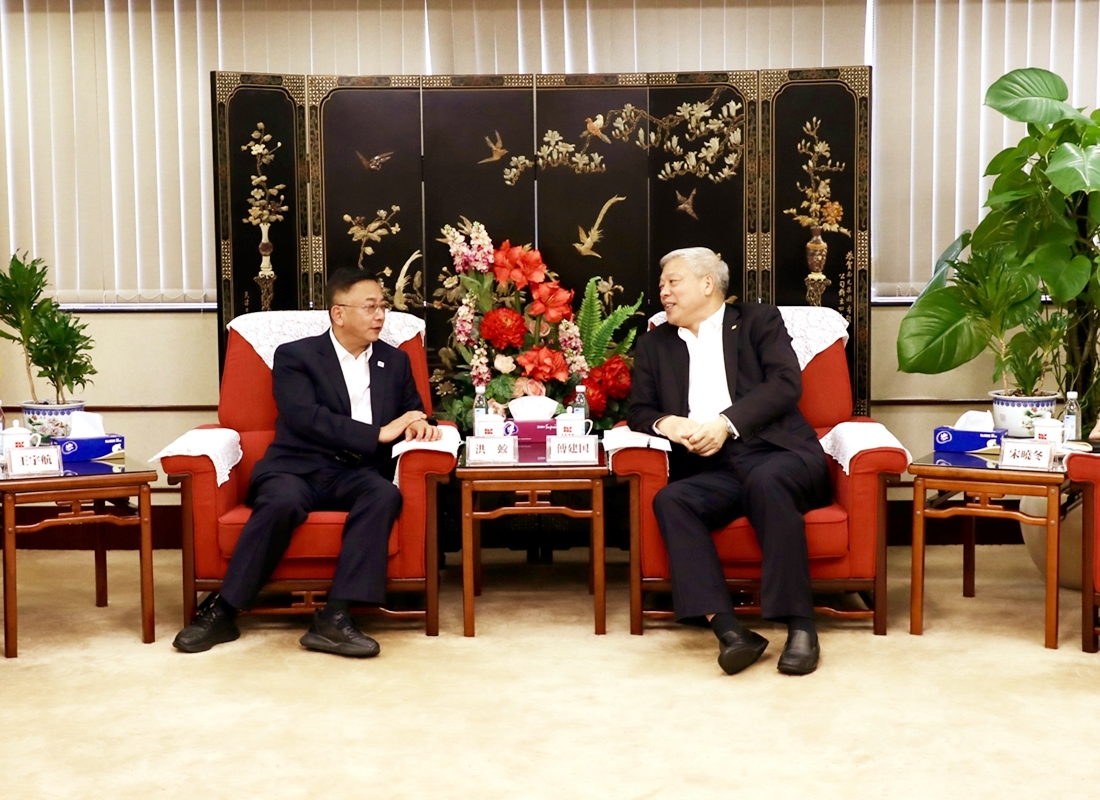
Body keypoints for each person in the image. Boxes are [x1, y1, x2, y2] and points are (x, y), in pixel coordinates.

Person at [173, 268, 441, 657]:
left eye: (382, 306)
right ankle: (223, 611)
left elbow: (413, 409)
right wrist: (378, 433)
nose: (380, 315)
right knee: (281, 502)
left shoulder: (394, 361)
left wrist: (418, 423)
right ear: (338, 313)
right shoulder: (295, 356)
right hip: (296, 467)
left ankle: (335, 616)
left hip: (357, 471)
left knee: (384, 495)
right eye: (370, 307)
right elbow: (306, 417)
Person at [628, 247, 832, 676]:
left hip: (780, 454)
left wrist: (726, 423)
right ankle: (731, 632)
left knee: (766, 481)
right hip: (715, 469)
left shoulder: (758, 322)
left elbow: (785, 384)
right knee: (672, 500)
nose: (663, 292)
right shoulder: (654, 344)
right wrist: (669, 424)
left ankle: (801, 626)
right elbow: (640, 410)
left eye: (673, 282)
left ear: (707, 283)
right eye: (662, 284)